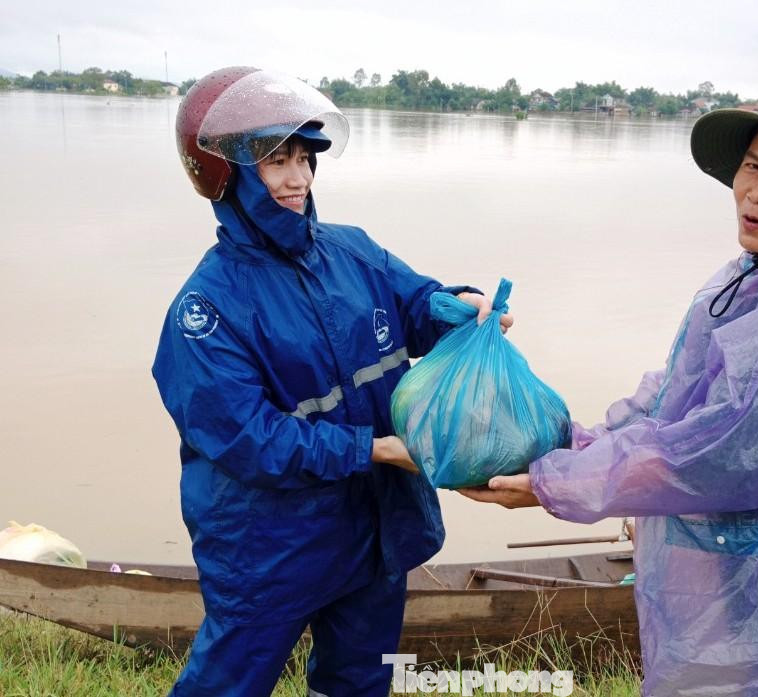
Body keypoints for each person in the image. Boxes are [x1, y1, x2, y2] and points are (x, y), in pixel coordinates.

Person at [461, 82, 758, 696]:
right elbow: (674, 398)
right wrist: (574, 442)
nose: (757, 192)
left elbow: (722, 451)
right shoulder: (754, 278)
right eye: (752, 167)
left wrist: (557, 484)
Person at [152, 66, 510, 697]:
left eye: (305, 159)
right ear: (224, 174)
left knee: (360, 684)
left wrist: (454, 311)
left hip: (375, 529)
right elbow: (250, 440)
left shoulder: (351, 250)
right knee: (226, 686)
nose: (299, 179)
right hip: (270, 546)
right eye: (276, 161)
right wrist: (371, 449)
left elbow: (412, 306)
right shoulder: (205, 313)